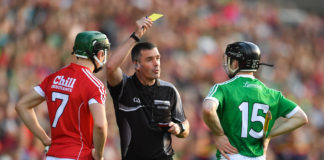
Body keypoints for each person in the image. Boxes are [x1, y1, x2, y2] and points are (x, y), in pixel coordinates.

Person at [202, 41, 308, 160]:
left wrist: (219, 134)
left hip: (230, 156)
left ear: (236, 63)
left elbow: (208, 109)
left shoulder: (222, 88)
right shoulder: (272, 94)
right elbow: (301, 117)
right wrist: (269, 135)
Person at [15, 31, 110, 160]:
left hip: (52, 155)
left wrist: (44, 138)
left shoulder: (53, 77)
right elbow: (100, 125)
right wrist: (99, 155)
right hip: (78, 155)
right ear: (99, 54)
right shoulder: (94, 85)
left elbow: (22, 105)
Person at [106, 18, 190, 159]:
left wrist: (179, 128)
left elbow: (184, 124)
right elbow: (110, 67)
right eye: (150, 60)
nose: (156, 63)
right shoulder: (124, 87)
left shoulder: (169, 90)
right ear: (137, 64)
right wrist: (136, 35)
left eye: (158, 58)